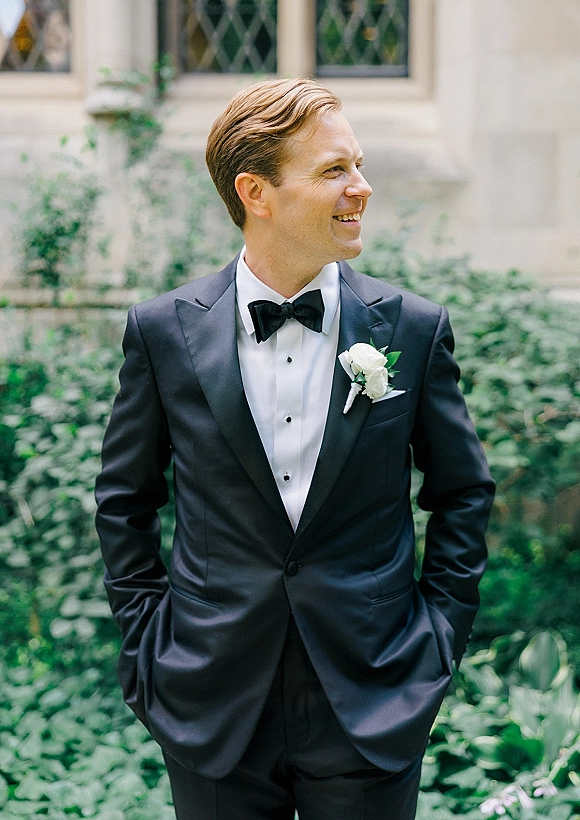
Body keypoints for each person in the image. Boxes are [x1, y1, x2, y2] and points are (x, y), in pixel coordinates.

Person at [95, 78, 494, 820]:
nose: (363, 188)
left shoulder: (410, 327)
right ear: (257, 192)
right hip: (210, 698)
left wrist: (436, 642)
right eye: (334, 170)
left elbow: (463, 492)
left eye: (359, 165)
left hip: (373, 692)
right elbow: (125, 500)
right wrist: (148, 646)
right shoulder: (163, 334)